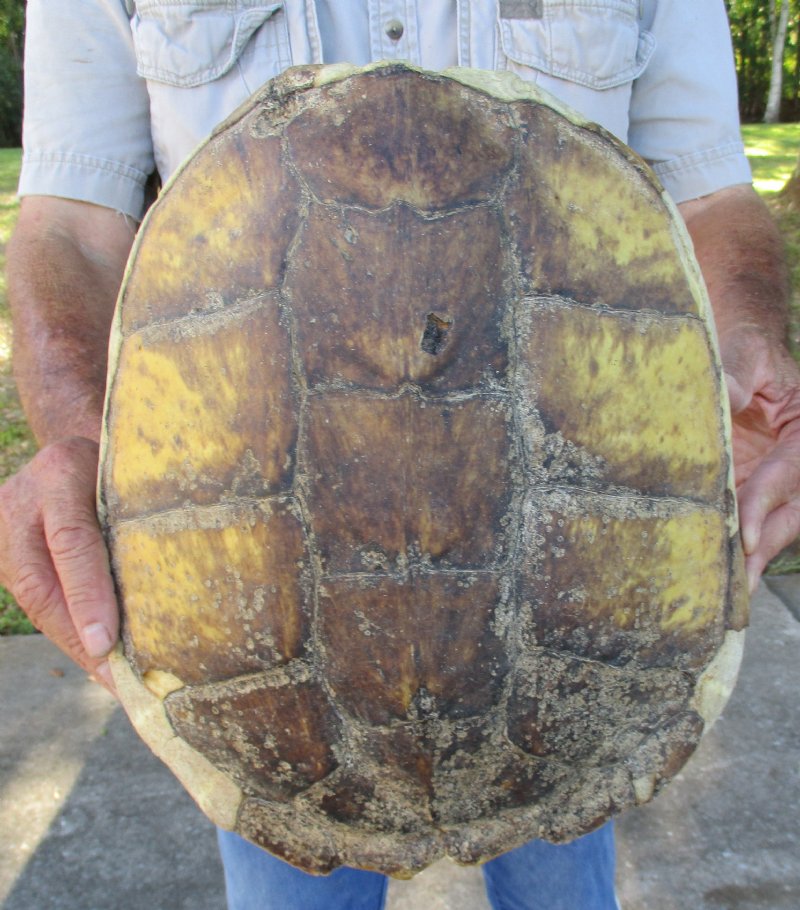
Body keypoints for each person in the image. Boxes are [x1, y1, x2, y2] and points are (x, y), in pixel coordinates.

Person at [2, 2, 798, 909]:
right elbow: (68, 218)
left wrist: (754, 347)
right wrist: (76, 433)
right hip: (261, 615)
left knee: (567, 864)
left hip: (575, 569)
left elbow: (711, 192)